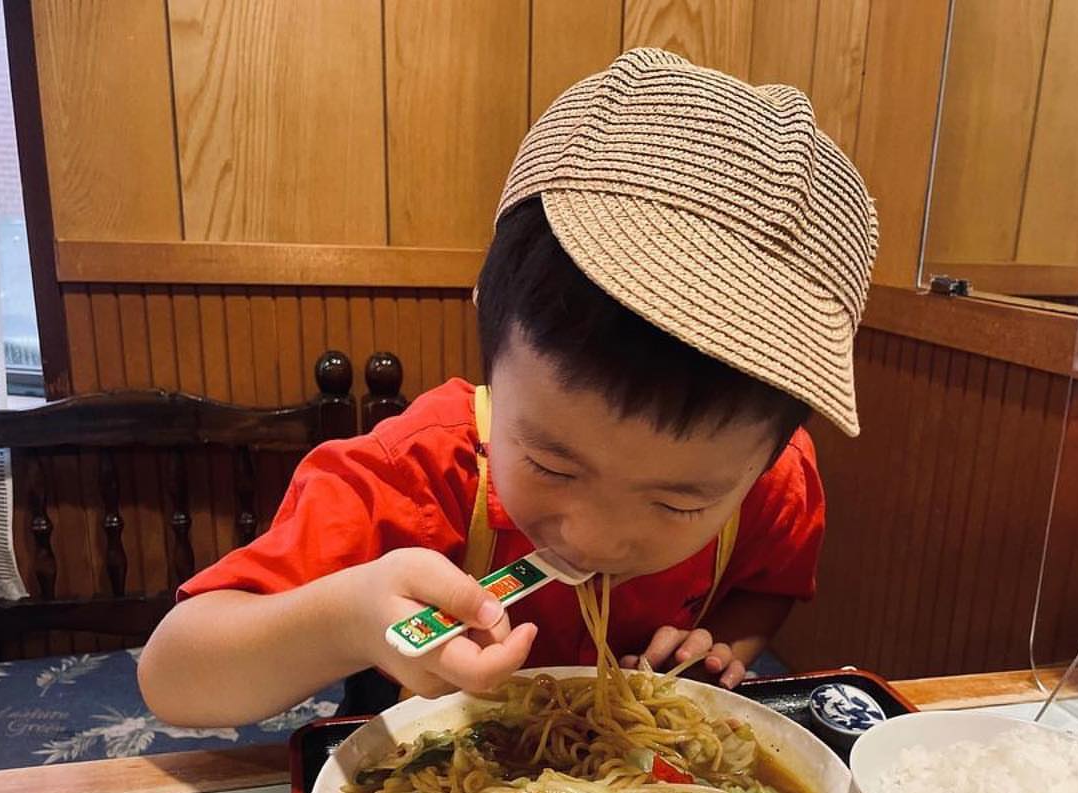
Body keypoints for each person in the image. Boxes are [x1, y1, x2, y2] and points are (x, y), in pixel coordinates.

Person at [139, 48, 877, 728]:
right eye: (553, 464)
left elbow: (768, 586)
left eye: (680, 503)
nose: (594, 539)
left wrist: (723, 642)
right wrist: (348, 619)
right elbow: (173, 678)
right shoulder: (419, 473)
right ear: (491, 350)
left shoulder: (775, 485)